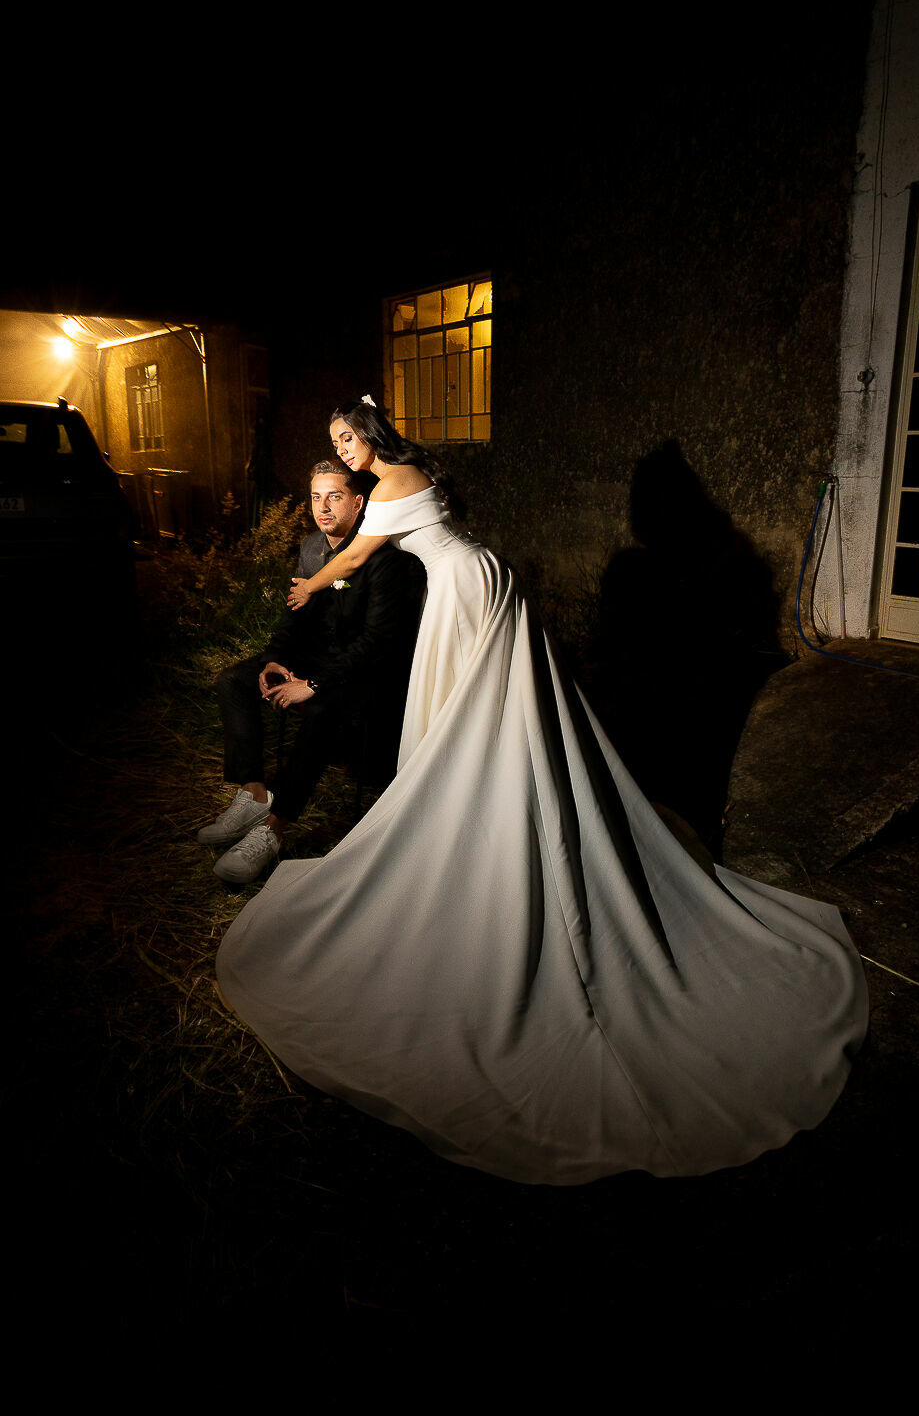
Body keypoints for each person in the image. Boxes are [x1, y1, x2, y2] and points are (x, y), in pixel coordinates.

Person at [216, 397, 868, 1185]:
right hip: (478, 584)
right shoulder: (407, 470)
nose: (344, 450)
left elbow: (356, 556)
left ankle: (487, 804)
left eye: (348, 437)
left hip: (466, 594)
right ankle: (484, 791)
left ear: (372, 434)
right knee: (489, 711)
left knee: (482, 712)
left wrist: (309, 585)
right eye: (334, 442)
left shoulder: (391, 481)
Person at [199, 458, 418, 883]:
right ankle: (254, 794)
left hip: (361, 670)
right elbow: (294, 614)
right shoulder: (311, 547)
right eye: (316, 497)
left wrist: (313, 684)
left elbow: (378, 642)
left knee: (320, 709)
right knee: (234, 682)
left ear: (358, 503)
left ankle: (274, 827)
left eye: (334, 496)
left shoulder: (383, 558)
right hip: (313, 658)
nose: (323, 507)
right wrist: (274, 658)